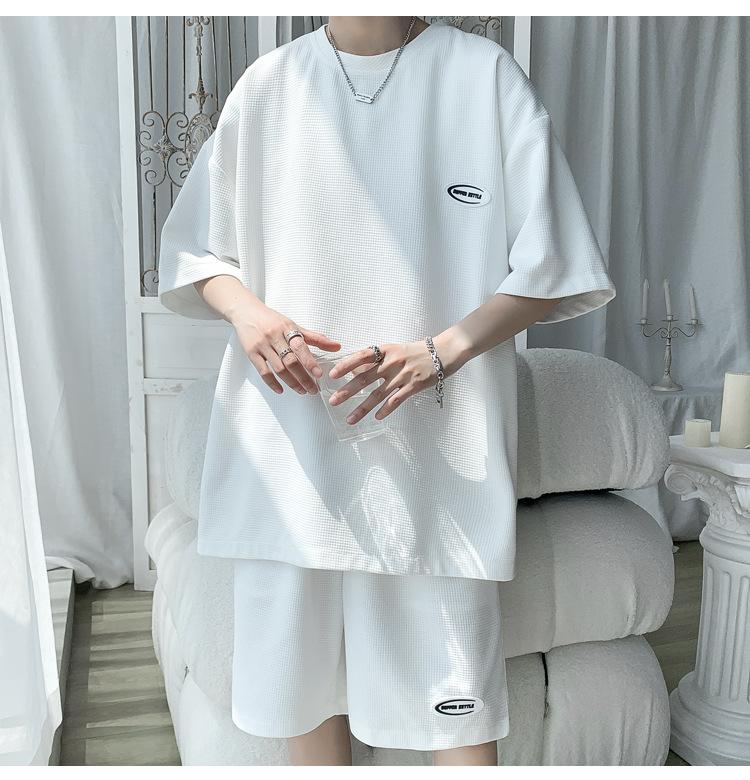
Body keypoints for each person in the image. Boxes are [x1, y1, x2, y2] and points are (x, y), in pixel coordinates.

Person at [157, 16, 616, 766]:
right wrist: (248, 314)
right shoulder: (270, 85)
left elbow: (554, 264)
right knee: (303, 700)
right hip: (292, 452)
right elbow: (196, 251)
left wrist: (443, 352)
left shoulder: (482, 76)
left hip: (438, 466)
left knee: (458, 717)